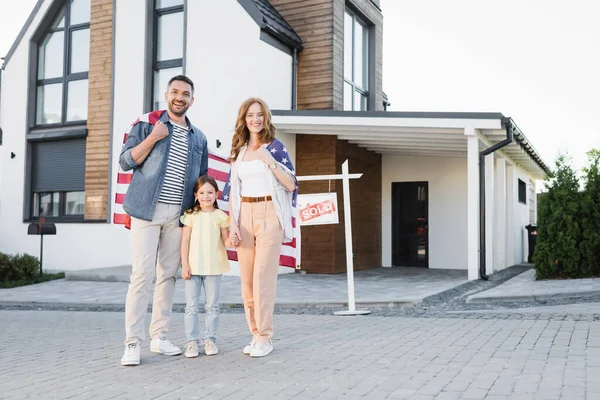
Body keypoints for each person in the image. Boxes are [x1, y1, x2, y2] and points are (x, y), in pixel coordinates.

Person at [119, 75, 208, 366]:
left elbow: (201, 182)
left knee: (168, 276)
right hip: (146, 210)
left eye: (185, 93)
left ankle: (159, 336)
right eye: (175, 92)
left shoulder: (199, 138)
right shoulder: (146, 125)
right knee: (142, 276)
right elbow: (126, 161)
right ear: (166, 95)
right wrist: (154, 137)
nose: (179, 97)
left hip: (178, 216)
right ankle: (133, 342)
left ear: (192, 100)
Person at [227, 98, 297, 358]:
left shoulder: (276, 148)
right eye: (249, 115)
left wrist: (270, 161)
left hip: (270, 214)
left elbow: (290, 184)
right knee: (246, 281)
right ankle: (255, 334)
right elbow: (234, 191)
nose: (254, 119)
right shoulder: (239, 151)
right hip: (244, 214)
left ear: (265, 118)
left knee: (262, 280)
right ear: (243, 120)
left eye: (259, 115)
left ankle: (265, 337)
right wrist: (233, 224)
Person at [180, 176, 235, 358]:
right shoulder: (190, 216)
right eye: (202, 192)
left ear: (216, 194)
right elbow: (185, 241)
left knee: (212, 306)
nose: (206, 196)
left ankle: (210, 339)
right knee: (191, 306)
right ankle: (191, 342)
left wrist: (232, 240)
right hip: (194, 267)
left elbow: (225, 240)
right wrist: (185, 265)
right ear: (196, 195)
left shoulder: (221, 217)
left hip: (214, 267)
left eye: (210, 192)